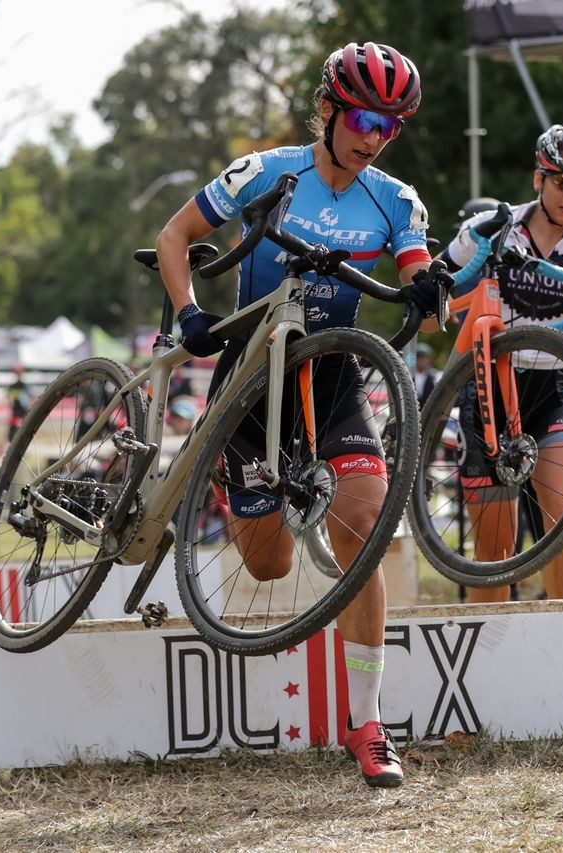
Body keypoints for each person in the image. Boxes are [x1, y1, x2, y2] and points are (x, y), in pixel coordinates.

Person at [155, 41, 437, 788]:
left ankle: (369, 722)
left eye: (391, 123)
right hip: (250, 374)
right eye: (365, 116)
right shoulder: (266, 170)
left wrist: (428, 289)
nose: (374, 134)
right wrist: (188, 311)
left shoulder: (396, 198)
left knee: (365, 531)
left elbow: (416, 270)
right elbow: (174, 235)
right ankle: (236, 480)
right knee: (270, 561)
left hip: (334, 367)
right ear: (331, 108)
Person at [442, 122, 563, 603]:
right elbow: (432, 311)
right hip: (489, 385)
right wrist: (438, 298)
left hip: (558, 389)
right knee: (494, 550)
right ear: (539, 180)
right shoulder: (491, 229)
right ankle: (490, 654)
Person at [6, 364, 32, 442]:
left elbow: (29, 398)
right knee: (13, 429)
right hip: (16, 410)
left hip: (23, 410)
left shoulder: (25, 386)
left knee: (24, 428)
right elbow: (9, 398)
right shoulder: (13, 386)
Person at [413, 342, 439, 409]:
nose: (422, 361)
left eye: (424, 358)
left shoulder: (434, 376)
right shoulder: (411, 375)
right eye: (419, 358)